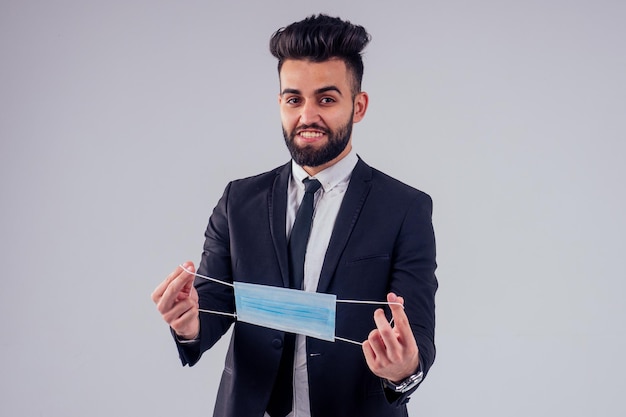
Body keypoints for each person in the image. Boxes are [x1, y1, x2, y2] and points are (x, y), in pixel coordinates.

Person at [152, 14, 437, 417]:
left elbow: (418, 334)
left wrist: (402, 369)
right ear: (280, 103)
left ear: (358, 106)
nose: (307, 117)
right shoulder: (239, 200)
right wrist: (187, 322)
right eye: (293, 99)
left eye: (326, 99)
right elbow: (212, 305)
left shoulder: (405, 208)